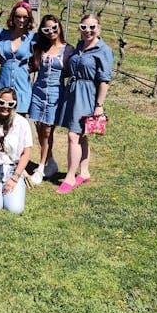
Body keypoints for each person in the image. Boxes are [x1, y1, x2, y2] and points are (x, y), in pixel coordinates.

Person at [56, 13, 114, 194]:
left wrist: (99, 105)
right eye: (84, 27)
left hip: (87, 94)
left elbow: (104, 80)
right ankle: (85, 172)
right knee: (82, 134)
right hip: (73, 92)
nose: (88, 31)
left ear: (99, 28)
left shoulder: (104, 50)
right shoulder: (79, 46)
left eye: (92, 27)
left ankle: (70, 176)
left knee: (73, 136)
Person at [28, 14, 73, 185]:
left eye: (54, 27)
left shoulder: (68, 50)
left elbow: (72, 70)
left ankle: (40, 167)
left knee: (47, 131)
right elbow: (32, 64)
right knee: (39, 128)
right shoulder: (40, 47)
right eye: (47, 29)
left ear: (59, 27)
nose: (51, 31)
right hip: (38, 92)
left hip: (55, 94)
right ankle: (51, 161)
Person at [0, 1, 37, 116]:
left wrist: (33, 67)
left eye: (25, 17)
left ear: (29, 19)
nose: (21, 20)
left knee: (19, 123)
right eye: (18, 16)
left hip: (21, 85)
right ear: (13, 17)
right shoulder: (2, 34)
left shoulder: (33, 38)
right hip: (3, 84)